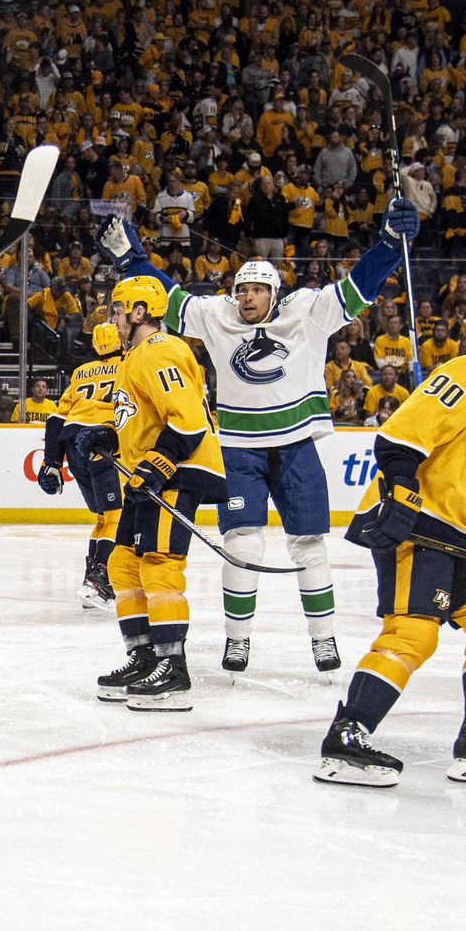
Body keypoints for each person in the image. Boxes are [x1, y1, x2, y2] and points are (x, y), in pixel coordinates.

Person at [99, 197, 421, 676]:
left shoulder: (307, 309)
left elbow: (359, 287)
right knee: (242, 545)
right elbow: (168, 299)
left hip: (296, 445)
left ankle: (324, 638)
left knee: (309, 545)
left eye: (257, 289)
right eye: (242, 289)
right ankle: (238, 640)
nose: (247, 297)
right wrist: (132, 261)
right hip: (238, 450)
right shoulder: (218, 314)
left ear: (275, 292)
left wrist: (390, 245)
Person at [315, 300, 466, 788]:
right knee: (412, 633)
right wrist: (402, 492)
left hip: (457, 535)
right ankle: (347, 737)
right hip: (417, 526)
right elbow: (398, 440)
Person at [91, 275, 227, 712]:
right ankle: (144, 657)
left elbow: (188, 420)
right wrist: (109, 437)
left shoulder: (161, 349)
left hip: (175, 473)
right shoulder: (134, 357)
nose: (113, 318)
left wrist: (160, 461)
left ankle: (173, 668)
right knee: (122, 563)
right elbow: (141, 419)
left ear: (139, 311)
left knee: (159, 563)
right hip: (146, 475)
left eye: (118, 309)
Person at [37, 320, 123, 609]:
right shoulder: (129, 364)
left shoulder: (81, 371)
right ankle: (101, 579)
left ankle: (91, 579)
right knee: (116, 515)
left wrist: (52, 462)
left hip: (74, 444)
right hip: (103, 442)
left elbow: (56, 418)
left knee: (102, 516)